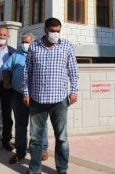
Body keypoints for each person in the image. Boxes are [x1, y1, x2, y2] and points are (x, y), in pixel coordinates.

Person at [23, 18, 79, 174]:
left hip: (60, 100)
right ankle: (34, 169)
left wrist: (74, 91)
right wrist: (26, 92)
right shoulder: (34, 46)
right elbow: (27, 72)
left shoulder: (66, 46)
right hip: (37, 100)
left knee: (61, 138)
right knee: (35, 139)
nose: (55, 34)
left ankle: (62, 169)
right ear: (45, 30)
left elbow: (73, 71)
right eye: (52, 31)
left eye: (58, 31)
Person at [1, 32, 49, 164]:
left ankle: (43, 149)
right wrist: (6, 79)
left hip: (37, 96)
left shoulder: (41, 54)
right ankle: (20, 152)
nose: (24, 44)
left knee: (40, 125)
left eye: (27, 42)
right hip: (18, 95)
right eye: (22, 41)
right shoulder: (16, 55)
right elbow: (6, 68)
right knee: (20, 125)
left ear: (33, 42)